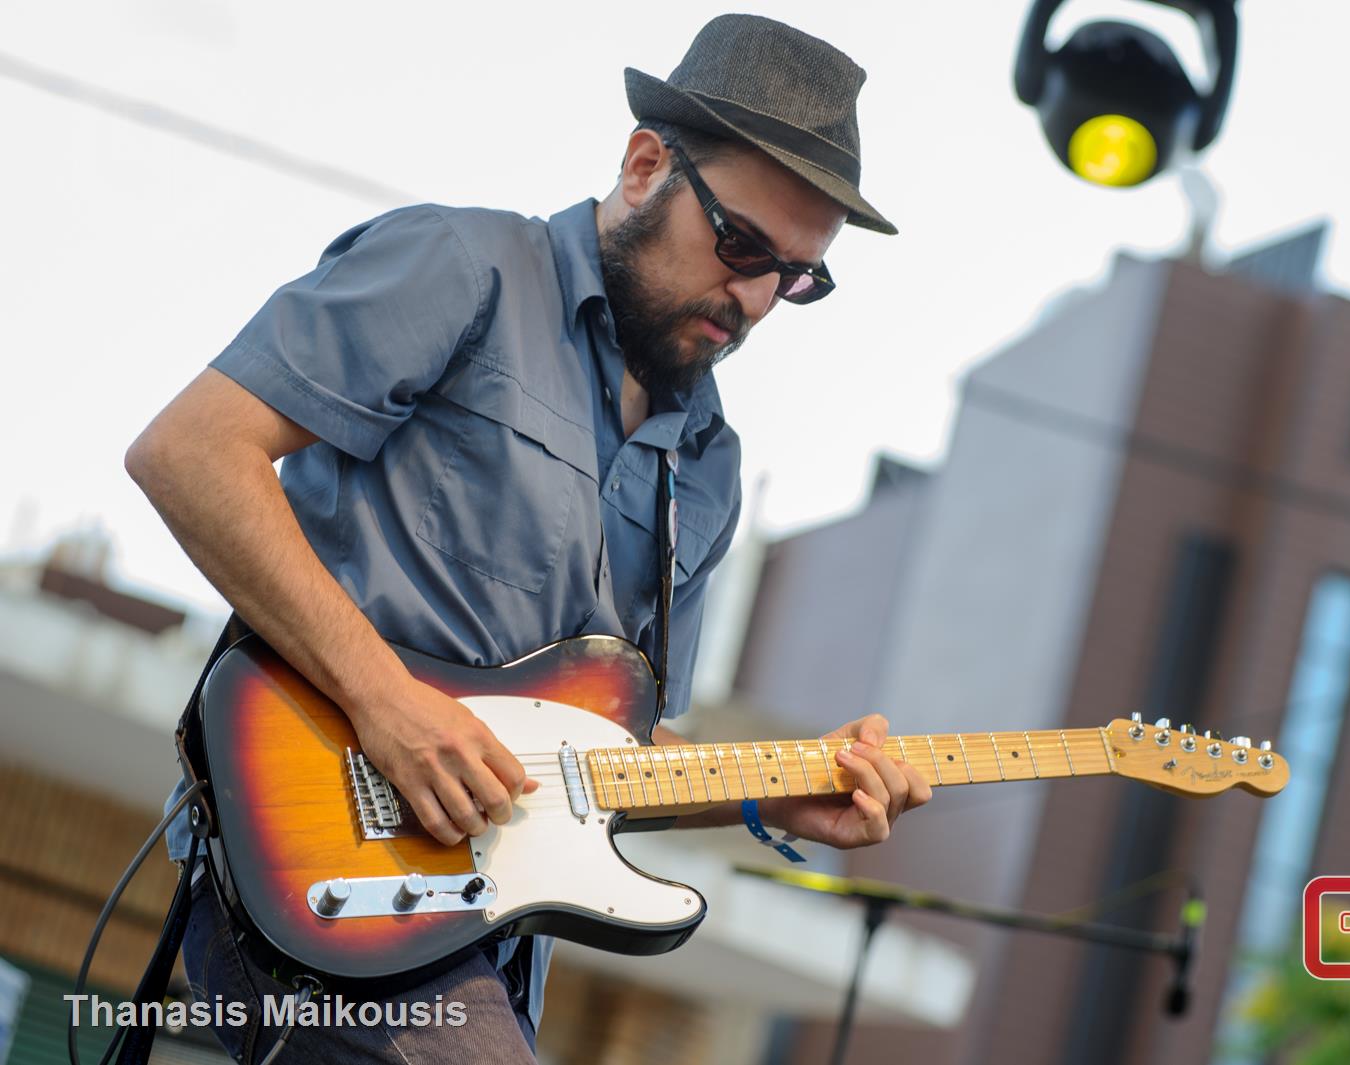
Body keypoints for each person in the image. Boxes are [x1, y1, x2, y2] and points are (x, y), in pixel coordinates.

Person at [125, 13, 932, 1064]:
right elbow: (190, 451)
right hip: (310, 867)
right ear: (646, 164)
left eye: (796, 276)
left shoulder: (710, 468)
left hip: (485, 943)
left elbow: (606, 752)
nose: (754, 296)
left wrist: (776, 789)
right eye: (740, 245)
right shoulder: (463, 266)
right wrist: (384, 697)